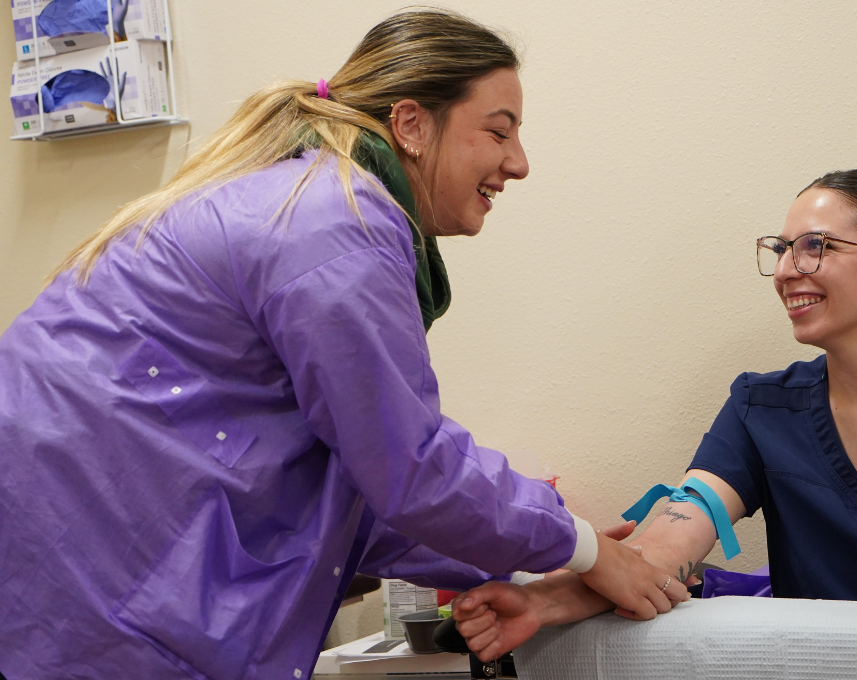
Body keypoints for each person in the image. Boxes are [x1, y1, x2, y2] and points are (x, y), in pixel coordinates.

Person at [0, 10, 688, 680]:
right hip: (83, 527)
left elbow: (358, 482)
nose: (520, 163)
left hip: (79, 506)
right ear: (411, 124)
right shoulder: (338, 224)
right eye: (498, 131)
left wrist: (549, 562)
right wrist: (585, 550)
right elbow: (411, 467)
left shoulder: (310, 201)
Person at [452, 170, 857, 678]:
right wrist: (541, 603)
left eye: (815, 247)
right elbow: (669, 544)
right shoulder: (761, 409)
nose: (786, 270)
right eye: (781, 249)